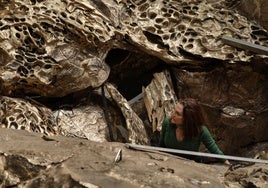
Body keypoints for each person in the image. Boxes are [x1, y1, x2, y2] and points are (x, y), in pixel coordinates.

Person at [159, 98, 230, 165]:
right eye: (174, 110)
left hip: (191, 165)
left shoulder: (200, 130)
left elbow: (214, 149)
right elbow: (161, 146)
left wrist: (226, 163)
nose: (172, 114)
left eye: (177, 114)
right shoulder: (167, 122)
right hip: (169, 162)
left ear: (188, 119)